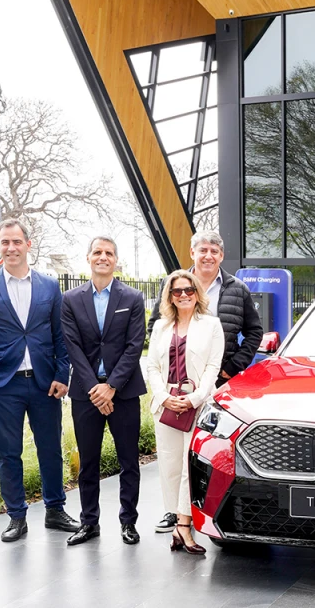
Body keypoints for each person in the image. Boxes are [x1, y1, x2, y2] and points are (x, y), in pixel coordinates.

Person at [0, 217, 80, 543]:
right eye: (5, 242)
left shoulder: (49, 286)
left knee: (50, 448)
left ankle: (55, 510)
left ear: (28, 245)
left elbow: (61, 337)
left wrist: (62, 375)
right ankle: (16, 517)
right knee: (9, 453)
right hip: (4, 384)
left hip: (46, 383)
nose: (11, 247)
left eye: (17, 242)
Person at [148, 231, 263, 533]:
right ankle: (175, 513)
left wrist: (231, 369)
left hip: (220, 382)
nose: (208, 255)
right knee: (173, 455)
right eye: (202, 250)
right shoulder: (175, 285)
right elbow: (155, 328)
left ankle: (202, 510)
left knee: (207, 451)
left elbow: (254, 332)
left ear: (221, 256)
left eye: (214, 250)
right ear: (192, 252)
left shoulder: (237, 289)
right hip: (178, 386)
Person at [60, 236, 147, 546]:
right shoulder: (70, 299)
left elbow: (135, 345)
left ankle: (128, 522)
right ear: (88, 257)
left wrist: (111, 387)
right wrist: (96, 389)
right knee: (89, 462)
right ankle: (89, 523)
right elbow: (72, 346)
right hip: (86, 394)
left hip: (123, 393)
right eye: (97, 252)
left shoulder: (133, 298)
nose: (103, 257)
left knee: (128, 461)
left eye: (109, 253)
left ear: (116, 260)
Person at [146, 269, 225, 555]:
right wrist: (164, 396)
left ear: (196, 293)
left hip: (198, 404)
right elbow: (152, 366)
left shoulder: (212, 325)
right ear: (170, 296)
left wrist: (193, 398)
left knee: (188, 467)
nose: (183, 296)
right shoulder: (161, 327)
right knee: (169, 465)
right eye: (177, 291)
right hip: (166, 404)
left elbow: (212, 369)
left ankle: (183, 525)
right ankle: (179, 522)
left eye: (188, 291)